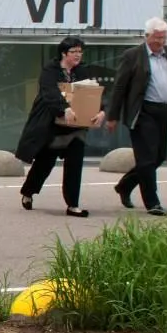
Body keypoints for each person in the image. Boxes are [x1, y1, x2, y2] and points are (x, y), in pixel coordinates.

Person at [105, 17, 167, 216]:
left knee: (158, 156)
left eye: (163, 38)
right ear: (147, 36)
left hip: (165, 111)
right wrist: (112, 115)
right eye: (157, 38)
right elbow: (120, 86)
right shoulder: (133, 56)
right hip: (143, 112)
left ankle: (125, 185)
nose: (160, 42)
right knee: (147, 158)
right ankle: (152, 202)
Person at [15, 36, 103, 217]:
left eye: (80, 51)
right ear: (64, 53)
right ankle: (28, 192)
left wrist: (100, 111)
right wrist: (64, 109)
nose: (78, 55)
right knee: (44, 164)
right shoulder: (51, 69)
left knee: (75, 165)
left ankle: (73, 205)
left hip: (76, 127)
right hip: (53, 125)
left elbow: (91, 94)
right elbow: (50, 93)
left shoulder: (83, 71)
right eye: (74, 52)